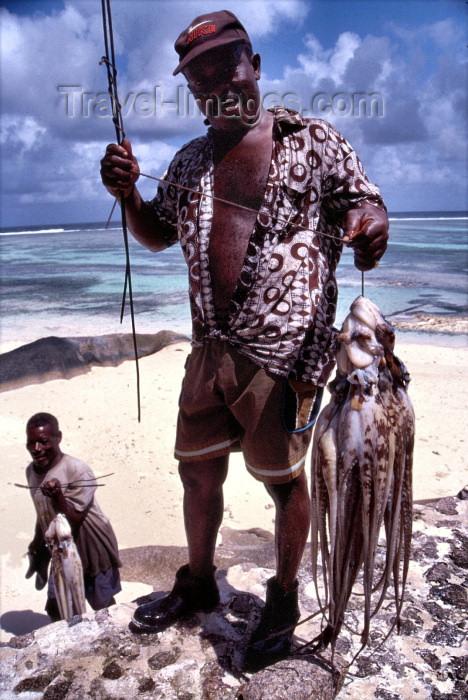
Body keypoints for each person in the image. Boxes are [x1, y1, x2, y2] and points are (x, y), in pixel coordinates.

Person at [100, 10, 389, 670]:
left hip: (286, 357)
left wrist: (372, 224)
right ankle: (198, 579)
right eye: (200, 75)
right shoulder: (191, 159)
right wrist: (126, 195)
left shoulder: (311, 139)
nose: (215, 82)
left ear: (253, 64)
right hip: (208, 348)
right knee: (197, 472)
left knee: (284, 483)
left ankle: (283, 597)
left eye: (225, 65)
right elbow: (156, 233)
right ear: (193, 90)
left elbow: (363, 203)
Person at [25, 412, 122, 621]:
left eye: (43, 442)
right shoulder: (31, 472)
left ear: (57, 438)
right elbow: (42, 512)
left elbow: (76, 517)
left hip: (92, 543)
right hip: (60, 545)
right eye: (31, 443)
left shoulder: (78, 470)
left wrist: (58, 496)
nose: (36, 449)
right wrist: (37, 542)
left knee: (101, 604)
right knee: (56, 607)